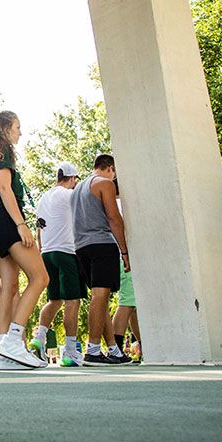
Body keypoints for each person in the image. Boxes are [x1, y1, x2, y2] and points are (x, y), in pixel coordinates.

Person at [0, 110, 49, 369]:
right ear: (6, 128)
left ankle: (1, 353)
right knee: (41, 278)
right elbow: (4, 188)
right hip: (7, 222)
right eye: (18, 127)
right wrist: (21, 224)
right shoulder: (3, 150)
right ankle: (13, 340)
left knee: (8, 287)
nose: (21, 132)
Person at [72, 154, 132, 366]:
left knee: (101, 299)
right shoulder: (105, 184)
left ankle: (113, 350)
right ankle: (93, 350)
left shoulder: (77, 188)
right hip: (101, 244)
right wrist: (124, 251)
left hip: (81, 247)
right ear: (110, 168)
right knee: (101, 296)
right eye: (114, 173)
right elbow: (114, 219)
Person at [30, 163, 86, 366]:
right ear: (72, 179)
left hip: (47, 254)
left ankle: (39, 338)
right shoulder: (69, 195)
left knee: (54, 300)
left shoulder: (43, 199)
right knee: (73, 301)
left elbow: (39, 229)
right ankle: (70, 352)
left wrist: (41, 252)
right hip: (67, 252)